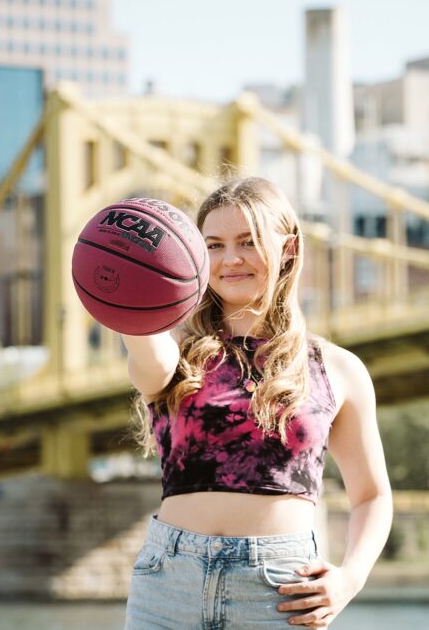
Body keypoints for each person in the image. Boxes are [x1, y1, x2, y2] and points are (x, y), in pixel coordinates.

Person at [120, 176, 393, 628]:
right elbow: (141, 342)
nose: (230, 259)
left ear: (287, 249)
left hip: (280, 591)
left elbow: (373, 495)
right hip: (168, 585)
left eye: (248, 242)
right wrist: (123, 277)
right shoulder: (176, 355)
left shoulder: (338, 369)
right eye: (213, 245)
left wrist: (349, 580)